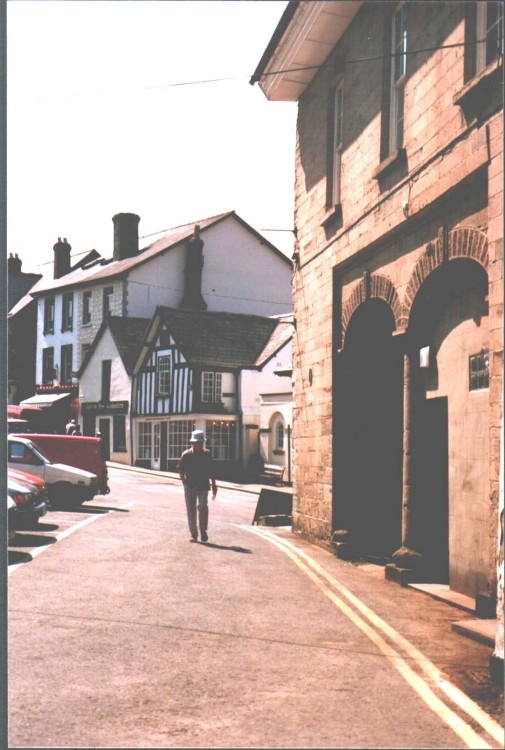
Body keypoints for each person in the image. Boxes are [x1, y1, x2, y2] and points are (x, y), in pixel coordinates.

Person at [178, 429, 217, 543]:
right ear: (192, 443)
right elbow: (180, 469)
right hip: (190, 486)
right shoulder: (186, 455)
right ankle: (194, 534)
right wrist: (184, 482)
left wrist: (214, 484)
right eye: (197, 443)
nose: (199, 445)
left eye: (201, 443)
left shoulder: (207, 454)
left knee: (203, 507)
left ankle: (203, 530)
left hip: (203, 485)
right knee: (191, 511)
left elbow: (212, 470)